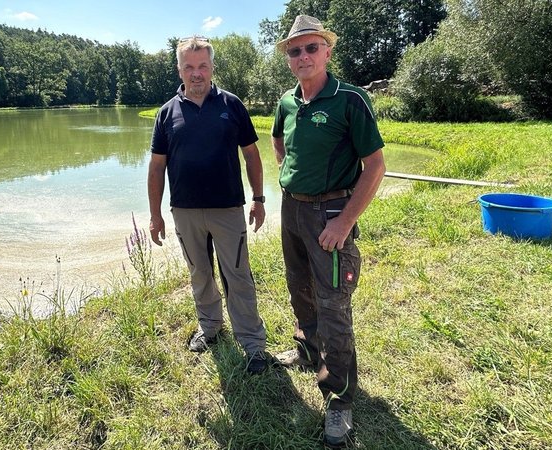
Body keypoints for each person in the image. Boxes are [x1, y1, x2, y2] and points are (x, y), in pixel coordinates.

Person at [270, 15, 386, 447]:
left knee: (333, 304)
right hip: (292, 210)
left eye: (311, 47)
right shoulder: (286, 102)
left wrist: (344, 220)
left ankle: (339, 398)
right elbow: (278, 141)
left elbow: (375, 166)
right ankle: (305, 348)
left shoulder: (350, 100)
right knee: (298, 286)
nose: (303, 56)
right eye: (295, 50)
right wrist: (287, 172)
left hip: (331, 212)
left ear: (327, 51)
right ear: (288, 58)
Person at [148, 36, 268, 375]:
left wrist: (258, 199)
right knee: (199, 273)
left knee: (238, 275)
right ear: (179, 69)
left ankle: (253, 344)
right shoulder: (166, 113)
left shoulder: (232, 105)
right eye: (189, 66)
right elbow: (157, 167)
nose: (196, 73)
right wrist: (155, 215)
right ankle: (210, 327)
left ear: (212, 67)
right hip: (185, 211)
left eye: (202, 66)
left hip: (228, 208)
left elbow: (252, 155)